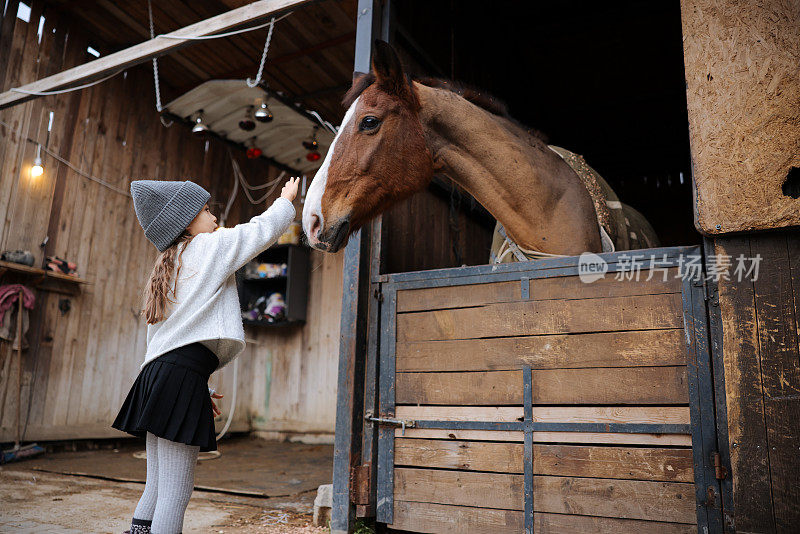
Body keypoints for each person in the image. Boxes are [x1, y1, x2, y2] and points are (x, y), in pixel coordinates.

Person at [112, 176, 299, 534]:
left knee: (157, 483)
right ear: (185, 222)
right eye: (206, 210)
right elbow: (258, 232)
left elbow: (167, 338)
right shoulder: (208, 248)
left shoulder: (167, 265)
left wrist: (197, 385)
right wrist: (286, 201)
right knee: (175, 494)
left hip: (159, 375)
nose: (214, 218)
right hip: (178, 377)